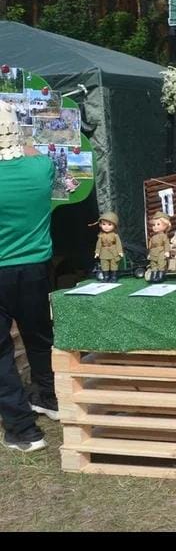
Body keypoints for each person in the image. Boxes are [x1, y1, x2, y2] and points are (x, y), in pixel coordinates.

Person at [0, 101, 58, 452]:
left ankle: (23, 429)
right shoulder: (42, 167)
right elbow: (32, 152)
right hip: (36, 267)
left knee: (1, 353)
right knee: (39, 336)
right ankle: (48, 397)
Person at [94, 212, 123, 283]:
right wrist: (97, 252)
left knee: (114, 264)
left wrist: (120, 252)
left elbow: (118, 244)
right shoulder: (101, 235)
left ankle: (114, 277)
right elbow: (98, 245)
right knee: (104, 265)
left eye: (109, 224)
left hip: (113, 252)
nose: (106, 227)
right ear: (100, 225)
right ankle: (106, 277)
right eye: (104, 224)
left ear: (114, 225)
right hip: (104, 252)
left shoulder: (115, 235)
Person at [147, 211, 172, 283]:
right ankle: (154, 276)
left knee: (161, 264)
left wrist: (167, 251)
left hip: (161, 252)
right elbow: (151, 246)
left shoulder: (164, 236)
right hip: (153, 253)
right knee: (153, 264)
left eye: (158, 224)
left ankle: (161, 276)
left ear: (165, 226)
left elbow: (166, 244)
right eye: (154, 225)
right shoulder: (153, 237)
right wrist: (149, 253)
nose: (155, 226)